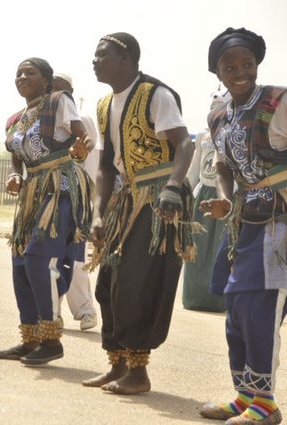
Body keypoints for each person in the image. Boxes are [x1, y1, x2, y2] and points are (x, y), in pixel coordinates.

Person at [83, 32, 196, 394]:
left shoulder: (155, 94)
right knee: (108, 285)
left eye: (103, 55)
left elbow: (184, 143)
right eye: (95, 56)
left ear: (127, 58)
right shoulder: (104, 105)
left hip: (158, 200)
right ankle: (117, 364)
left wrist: (173, 187)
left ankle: (139, 370)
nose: (95, 61)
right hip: (124, 200)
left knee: (137, 284)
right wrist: (99, 213)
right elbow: (105, 167)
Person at [198, 27, 287, 425]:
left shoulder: (278, 101)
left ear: (257, 64)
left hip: (279, 222)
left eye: (246, 63)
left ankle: (265, 404)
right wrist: (225, 194)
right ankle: (245, 395)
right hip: (244, 220)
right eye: (229, 65)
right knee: (235, 307)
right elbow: (221, 162)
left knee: (260, 307)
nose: (239, 71)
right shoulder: (219, 113)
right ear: (216, 70)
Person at [0, 58, 93, 365]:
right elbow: (16, 156)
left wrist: (81, 148)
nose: (23, 76)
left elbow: (80, 136)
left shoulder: (58, 101)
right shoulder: (16, 119)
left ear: (47, 80)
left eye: (30, 72)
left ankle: (51, 340)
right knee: (20, 263)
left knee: (40, 259)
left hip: (58, 190)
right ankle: (31, 338)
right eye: (19, 73)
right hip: (31, 192)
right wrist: (14, 175)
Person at [52, 73, 100, 331]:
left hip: (78, 200)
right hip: (50, 200)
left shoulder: (85, 122)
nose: (59, 97)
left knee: (75, 259)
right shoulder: (44, 121)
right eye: (54, 90)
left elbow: (95, 161)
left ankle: (85, 311)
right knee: (49, 261)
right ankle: (52, 312)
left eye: (65, 92)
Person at [182, 91, 230, 313]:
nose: (215, 109)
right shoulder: (202, 136)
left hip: (223, 199)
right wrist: (184, 194)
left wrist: (230, 200)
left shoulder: (232, 133)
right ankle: (194, 298)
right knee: (195, 248)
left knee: (220, 250)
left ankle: (216, 300)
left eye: (220, 105)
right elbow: (193, 169)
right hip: (202, 198)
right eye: (213, 105)